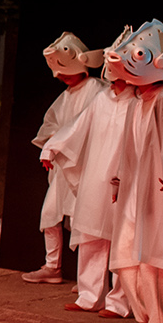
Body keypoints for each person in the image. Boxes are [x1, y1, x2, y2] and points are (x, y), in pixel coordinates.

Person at [99, 20, 163, 323]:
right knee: (128, 257)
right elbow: (131, 149)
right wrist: (120, 180)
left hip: (162, 192)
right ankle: (148, 322)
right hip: (137, 194)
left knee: (156, 260)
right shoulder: (140, 101)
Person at [40, 27, 134, 318]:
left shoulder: (138, 101)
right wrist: (52, 147)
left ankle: (120, 302)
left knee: (123, 239)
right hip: (96, 173)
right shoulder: (103, 99)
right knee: (92, 234)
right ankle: (89, 296)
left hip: (124, 174)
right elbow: (77, 126)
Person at [24, 32, 108, 284]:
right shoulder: (67, 95)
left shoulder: (96, 89)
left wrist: (60, 145)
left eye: (66, 73)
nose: (62, 79)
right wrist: (51, 146)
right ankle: (53, 266)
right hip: (63, 166)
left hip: (85, 166)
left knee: (85, 220)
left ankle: (89, 280)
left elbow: (84, 127)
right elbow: (53, 123)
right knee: (50, 214)